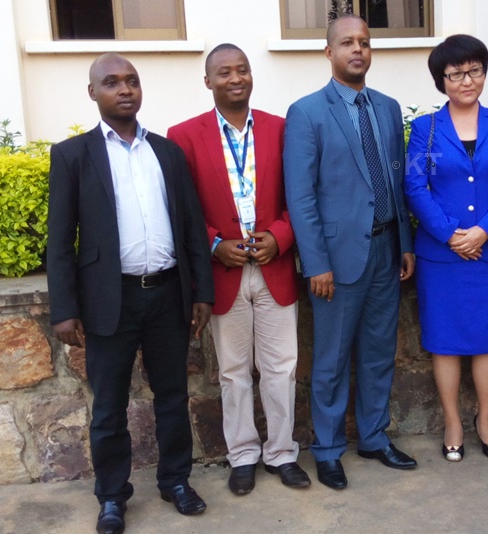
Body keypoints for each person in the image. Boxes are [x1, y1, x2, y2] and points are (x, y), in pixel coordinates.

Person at [47, 53, 214, 534]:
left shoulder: (167, 152)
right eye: (112, 82)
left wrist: (201, 292)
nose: (125, 90)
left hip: (166, 295)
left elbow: (191, 229)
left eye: (132, 81)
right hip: (108, 302)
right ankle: (112, 497)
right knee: (109, 406)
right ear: (93, 92)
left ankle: (175, 481)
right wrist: (64, 309)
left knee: (172, 396)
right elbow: (60, 240)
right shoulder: (73, 155)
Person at [167, 43, 310, 496]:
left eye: (242, 70)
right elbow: (182, 208)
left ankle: (282, 452)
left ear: (251, 76)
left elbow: (301, 196)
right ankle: (243, 455)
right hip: (224, 271)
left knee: (281, 367)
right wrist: (213, 244)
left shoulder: (280, 129)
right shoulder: (183, 136)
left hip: (274, 266)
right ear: (208, 81)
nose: (235, 78)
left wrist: (281, 236)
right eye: (224, 72)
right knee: (233, 371)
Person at [283, 14, 416, 490]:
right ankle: (327, 449)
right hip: (337, 260)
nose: (357, 49)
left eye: (364, 41)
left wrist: (405, 243)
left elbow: (396, 181)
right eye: (347, 43)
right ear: (329, 52)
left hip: (386, 250)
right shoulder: (306, 112)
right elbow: (301, 196)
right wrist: (315, 262)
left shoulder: (388, 108)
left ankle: (375, 437)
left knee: (379, 353)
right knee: (333, 359)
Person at [404, 35, 488, 463]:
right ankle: (453, 422)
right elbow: (415, 186)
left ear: (484, 73)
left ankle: (486, 421)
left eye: (474, 70)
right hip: (442, 258)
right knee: (445, 341)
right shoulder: (425, 129)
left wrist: (485, 231)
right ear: (441, 80)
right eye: (455, 73)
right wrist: (451, 233)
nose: (466, 80)